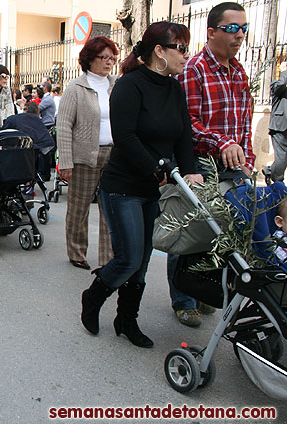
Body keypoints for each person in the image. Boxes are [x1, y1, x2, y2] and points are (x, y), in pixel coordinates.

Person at [80, 21, 203, 348]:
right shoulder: (130, 86)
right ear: (158, 51)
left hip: (154, 189)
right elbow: (125, 136)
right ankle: (92, 297)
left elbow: (183, 136)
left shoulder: (174, 88)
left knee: (143, 262)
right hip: (122, 187)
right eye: (180, 48)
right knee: (129, 258)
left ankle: (126, 319)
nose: (185, 55)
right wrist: (155, 167)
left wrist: (190, 170)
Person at [171, 1, 253, 327]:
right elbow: (187, 123)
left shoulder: (240, 71)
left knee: (224, 234)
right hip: (201, 163)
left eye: (244, 29)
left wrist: (245, 153)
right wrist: (223, 142)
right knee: (190, 232)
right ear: (212, 32)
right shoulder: (194, 70)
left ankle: (206, 288)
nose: (240, 35)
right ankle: (184, 298)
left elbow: (244, 121)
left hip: (235, 166)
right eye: (232, 28)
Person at [58, 36, 118, 271]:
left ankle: (108, 259)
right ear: (90, 59)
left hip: (113, 155)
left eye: (112, 58)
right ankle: (76, 251)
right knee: (79, 208)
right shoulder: (76, 88)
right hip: (84, 157)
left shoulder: (116, 84)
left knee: (110, 209)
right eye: (104, 57)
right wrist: (66, 161)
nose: (109, 62)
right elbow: (63, 126)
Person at [2, 102, 55, 173]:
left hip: (16, 150)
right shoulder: (37, 121)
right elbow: (46, 140)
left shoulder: (14, 119)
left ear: (25, 110)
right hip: (33, 151)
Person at [264, 62, 287, 182]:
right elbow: (282, 82)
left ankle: (269, 171)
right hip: (280, 127)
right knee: (282, 157)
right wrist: (284, 70)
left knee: (283, 159)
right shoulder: (276, 85)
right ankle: (278, 184)